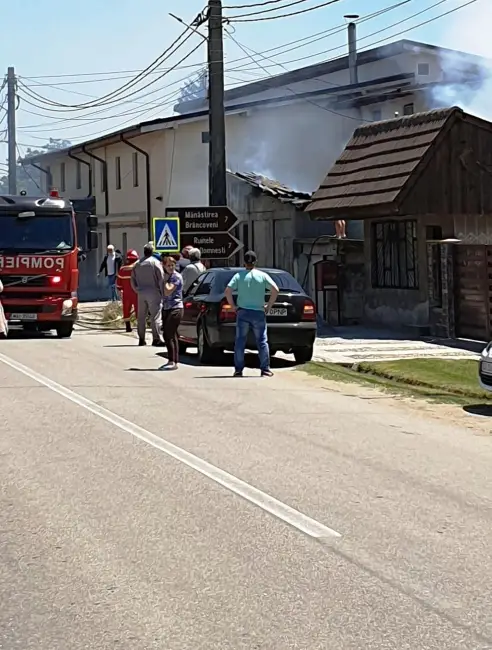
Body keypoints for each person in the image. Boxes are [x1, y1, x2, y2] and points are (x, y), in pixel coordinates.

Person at [224, 250, 279, 378]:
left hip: (242, 311)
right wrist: (268, 306)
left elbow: (228, 291)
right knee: (262, 341)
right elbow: (275, 290)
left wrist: (233, 307)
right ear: (255, 262)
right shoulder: (262, 275)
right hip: (259, 312)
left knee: (240, 341)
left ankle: (238, 370)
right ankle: (265, 369)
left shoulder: (238, 276)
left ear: (244, 263)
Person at [130, 242, 165, 347]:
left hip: (141, 292)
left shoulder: (137, 263)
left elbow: (132, 279)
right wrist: (161, 291)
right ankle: (156, 338)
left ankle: (141, 339)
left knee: (141, 317)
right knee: (156, 316)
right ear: (152, 251)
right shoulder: (155, 262)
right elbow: (161, 278)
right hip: (154, 292)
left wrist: (136, 289)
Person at [160, 256, 184, 370]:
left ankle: (172, 361)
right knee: (169, 334)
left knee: (169, 334)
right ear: (164, 266)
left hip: (176, 307)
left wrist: (165, 280)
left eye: (172, 265)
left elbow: (168, 291)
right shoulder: (167, 276)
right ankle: (172, 360)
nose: (170, 267)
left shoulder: (176, 277)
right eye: (168, 265)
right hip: (166, 307)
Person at [116, 249, 139, 333]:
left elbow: (119, 284)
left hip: (126, 293)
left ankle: (128, 327)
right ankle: (140, 326)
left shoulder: (122, 269)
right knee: (138, 310)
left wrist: (120, 290)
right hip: (137, 293)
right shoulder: (138, 268)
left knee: (126, 309)